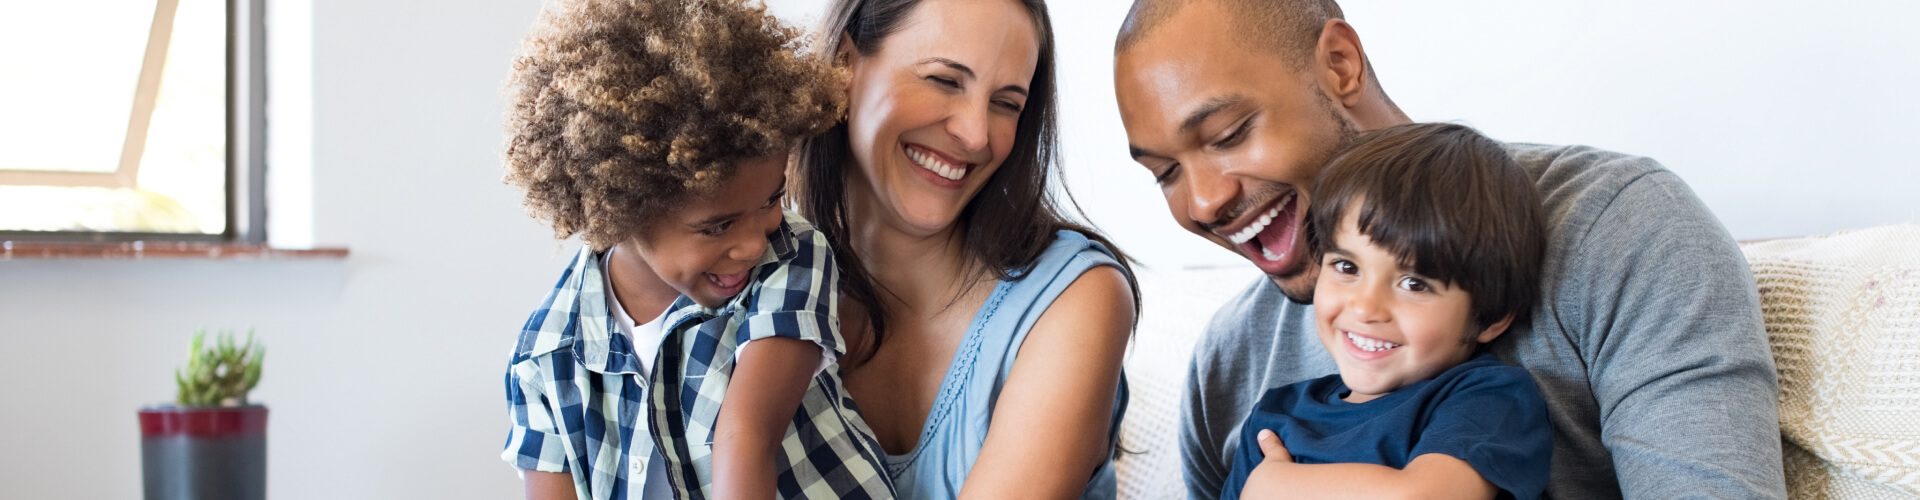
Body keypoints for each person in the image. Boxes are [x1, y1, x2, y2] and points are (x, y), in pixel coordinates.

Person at [1110, 0, 1785, 498]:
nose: (1200, 203)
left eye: (1228, 134)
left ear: (1339, 64)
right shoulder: (1230, 360)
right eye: (1164, 173)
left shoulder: (1620, 228)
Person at [497, 1, 892, 499]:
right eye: (717, 226)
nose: (752, 243)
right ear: (624, 211)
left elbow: (746, 437)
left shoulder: (791, 256)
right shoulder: (544, 355)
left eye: (772, 198)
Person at [793, 0, 1140, 497]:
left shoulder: (1076, 298)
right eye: (944, 80)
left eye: (1006, 103)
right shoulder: (755, 278)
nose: (975, 135)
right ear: (845, 63)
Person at [1220, 123, 1553, 500]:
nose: (1365, 307)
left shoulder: (1488, 399)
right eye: (1346, 267)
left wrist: (1278, 486)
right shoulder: (1275, 418)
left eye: (1414, 283)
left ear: (1491, 318)